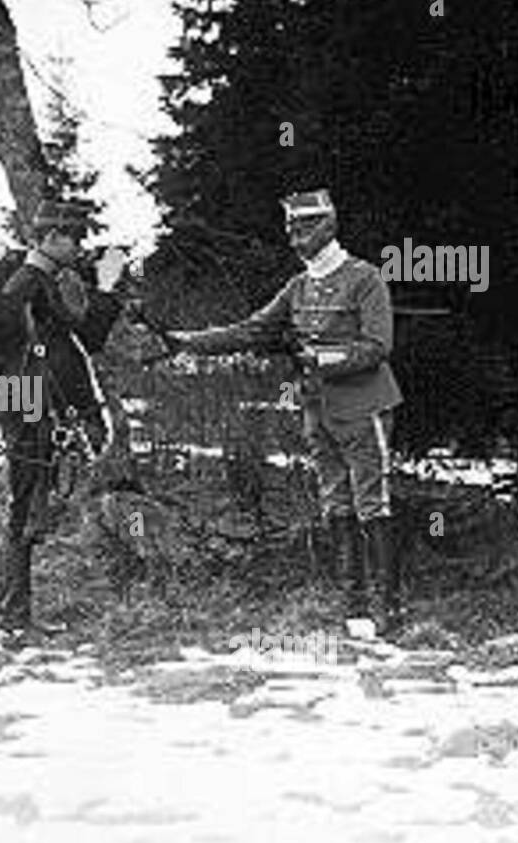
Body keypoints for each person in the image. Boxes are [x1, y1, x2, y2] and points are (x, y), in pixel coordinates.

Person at [174, 188, 406, 636]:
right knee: (336, 502)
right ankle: (354, 607)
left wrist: (321, 358)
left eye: (304, 227)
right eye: (290, 228)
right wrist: (188, 341)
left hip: (364, 405)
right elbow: (254, 328)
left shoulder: (365, 278)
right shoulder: (298, 286)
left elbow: (378, 347)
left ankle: (390, 611)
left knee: (373, 503)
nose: (295, 236)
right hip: (317, 409)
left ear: (328, 226)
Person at [0, 199, 121, 645]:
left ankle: (17, 615)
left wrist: (104, 291)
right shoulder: (26, 285)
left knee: (33, 506)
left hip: (40, 404)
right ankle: (13, 619)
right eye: (74, 238)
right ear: (49, 239)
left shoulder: (43, 281)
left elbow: (85, 339)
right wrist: (41, 415)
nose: (80, 246)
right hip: (30, 403)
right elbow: (16, 358)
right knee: (25, 506)